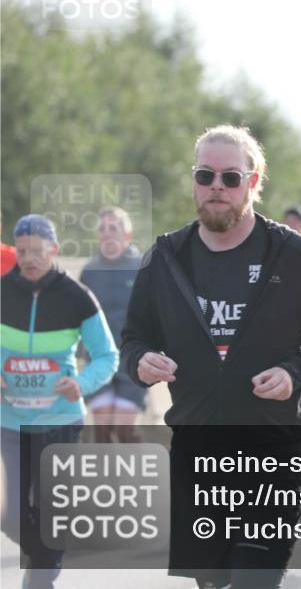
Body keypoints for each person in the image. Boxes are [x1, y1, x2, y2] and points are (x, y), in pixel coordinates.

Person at [121, 125, 301, 589]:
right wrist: (141, 361)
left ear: (254, 182)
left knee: (254, 579)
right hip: (197, 452)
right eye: (205, 175)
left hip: (271, 450)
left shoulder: (295, 255)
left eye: (231, 178)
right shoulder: (165, 257)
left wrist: (297, 373)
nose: (216, 187)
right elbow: (134, 337)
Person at [2, 214, 118, 589]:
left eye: (37, 250)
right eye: (22, 251)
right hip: (11, 422)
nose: (29, 258)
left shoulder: (77, 297)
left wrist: (81, 383)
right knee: (13, 514)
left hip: (61, 420)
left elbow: (107, 356)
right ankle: (43, 558)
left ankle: (41, 576)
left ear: (53, 250)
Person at [80, 206, 147, 443]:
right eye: (103, 228)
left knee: (123, 429)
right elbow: (79, 317)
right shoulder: (89, 271)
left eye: (114, 227)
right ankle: (106, 478)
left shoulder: (143, 267)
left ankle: (140, 474)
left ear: (127, 235)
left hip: (132, 360)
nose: (108, 233)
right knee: (102, 429)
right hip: (99, 359)